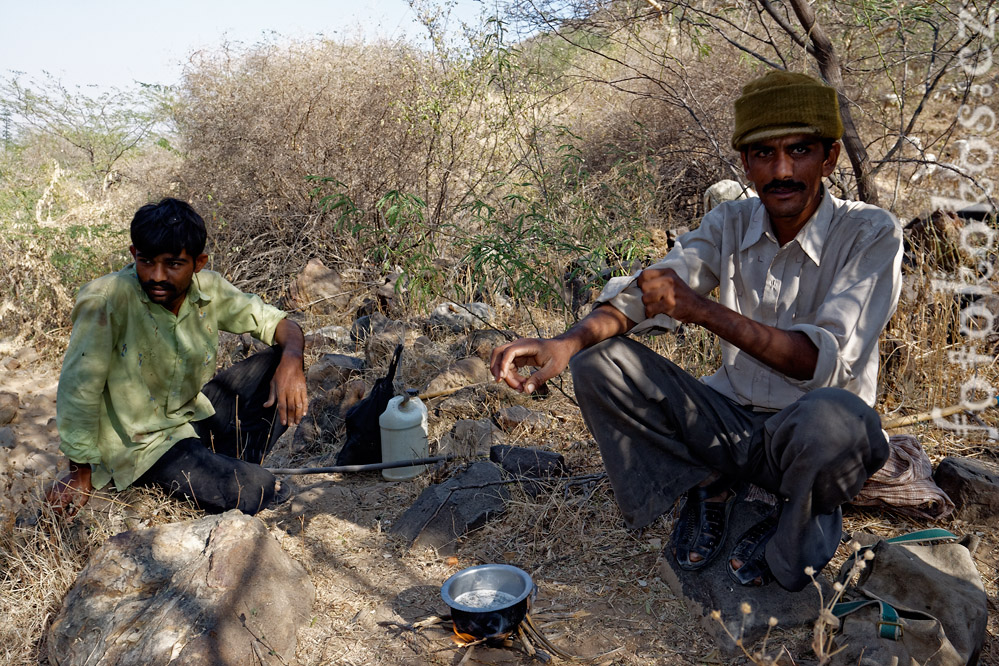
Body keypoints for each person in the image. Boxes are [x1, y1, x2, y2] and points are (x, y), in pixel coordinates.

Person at [490, 71, 903, 591]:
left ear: (830, 157)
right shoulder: (731, 221)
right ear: (746, 163)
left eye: (799, 151)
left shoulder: (871, 233)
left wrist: (701, 310)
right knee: (599, 363)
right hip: (729, 425)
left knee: (836, 420)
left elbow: (817, 362)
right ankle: (708, 485)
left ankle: (793, 530)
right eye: (762, 154)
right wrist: (566, 342)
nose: (781, 170)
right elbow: (651, 292)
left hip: (813, 442)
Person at [47, 198, 308, 516]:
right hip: (142, 447)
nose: (157, 275)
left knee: (279, 361)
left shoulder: (210, 289)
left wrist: (293, 359)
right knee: (256, 488)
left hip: (188, 421)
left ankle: (228, 468)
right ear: (133, 255)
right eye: (146, 261)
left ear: (198, 263)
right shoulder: (106, 300)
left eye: (173, 264)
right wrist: (80, 469)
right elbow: (79, 387)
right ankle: (230, 478)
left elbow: (279, 324)